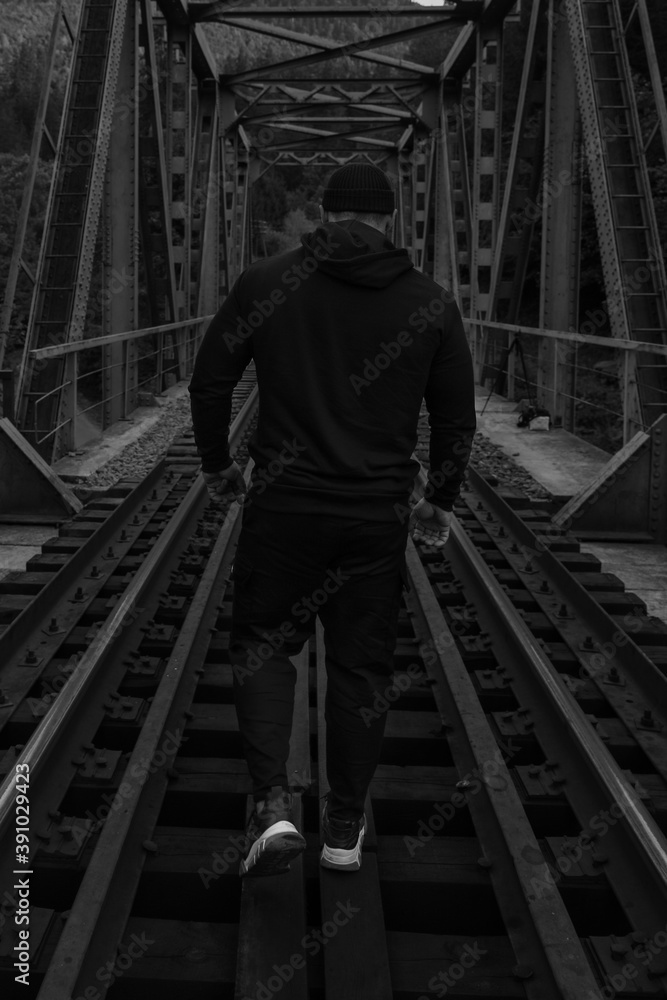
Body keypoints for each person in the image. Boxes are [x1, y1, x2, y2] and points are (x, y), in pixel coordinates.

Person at [189, 162, 476, 878]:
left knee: (261, 642)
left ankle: (272, 808)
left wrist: (218, 465)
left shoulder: (266, 282)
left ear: (323, 212)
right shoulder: (429, 303)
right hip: (373, 517)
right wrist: (437, 501)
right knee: (360, 667)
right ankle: (343, 829)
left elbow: (210, 380)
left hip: (283, 507)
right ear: (391, 215)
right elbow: (455, 420)